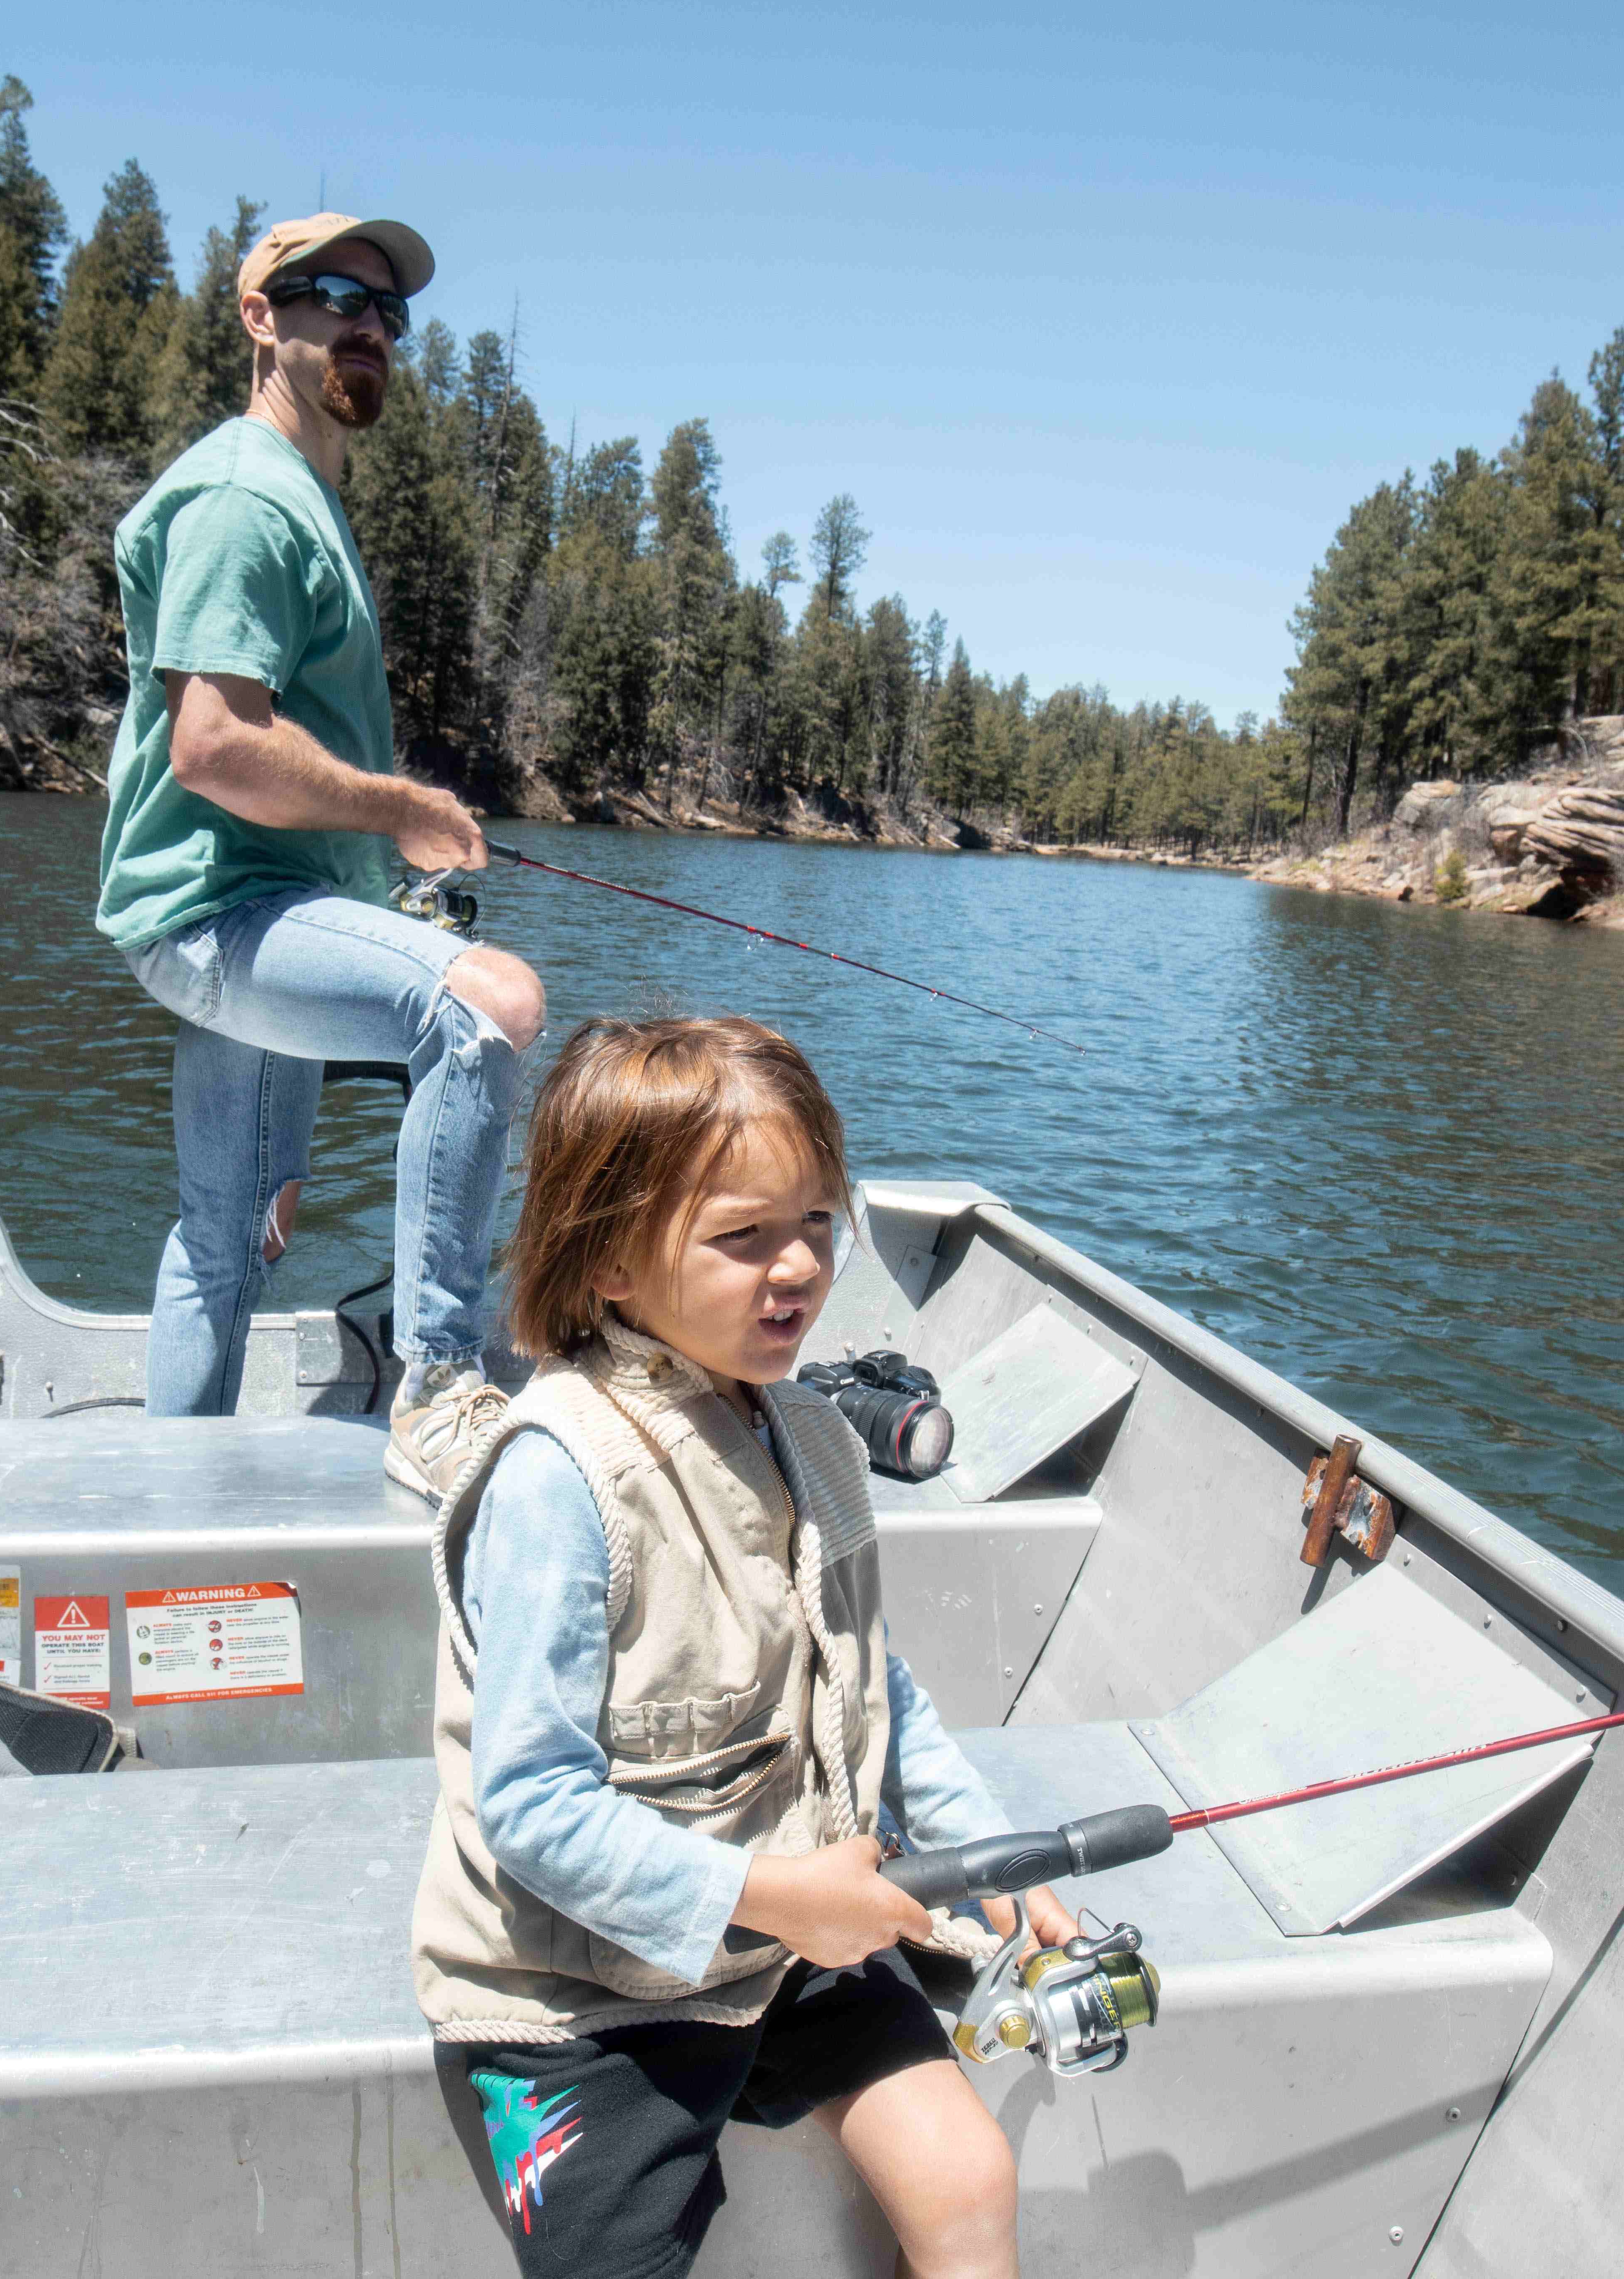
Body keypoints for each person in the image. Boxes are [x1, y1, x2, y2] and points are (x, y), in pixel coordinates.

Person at [412, 1014, 1077, 2279]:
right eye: (743, 1238)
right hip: (584, 1998)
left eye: (819, 1222)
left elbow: (873, 1684)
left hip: (791, 1945)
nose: (800, 1269)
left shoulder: (816, 1437)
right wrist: (780, 1900)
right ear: (607, 1262)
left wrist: (995, 1860)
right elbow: (531, 1811)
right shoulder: (562, 1479)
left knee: (968, 2176)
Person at [94, 210, 544, 1497]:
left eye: (391, 312)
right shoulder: (246, 498)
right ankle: (444, 1391)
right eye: (335, 294)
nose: (371, 325)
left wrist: (381, 845)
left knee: (229, 1236)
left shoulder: (303, 496)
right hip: (222, 912)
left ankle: (169, 1508)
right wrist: (398, 807)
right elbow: (217, 749)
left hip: (254, 904)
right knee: (486, 1008)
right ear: (259, 318)